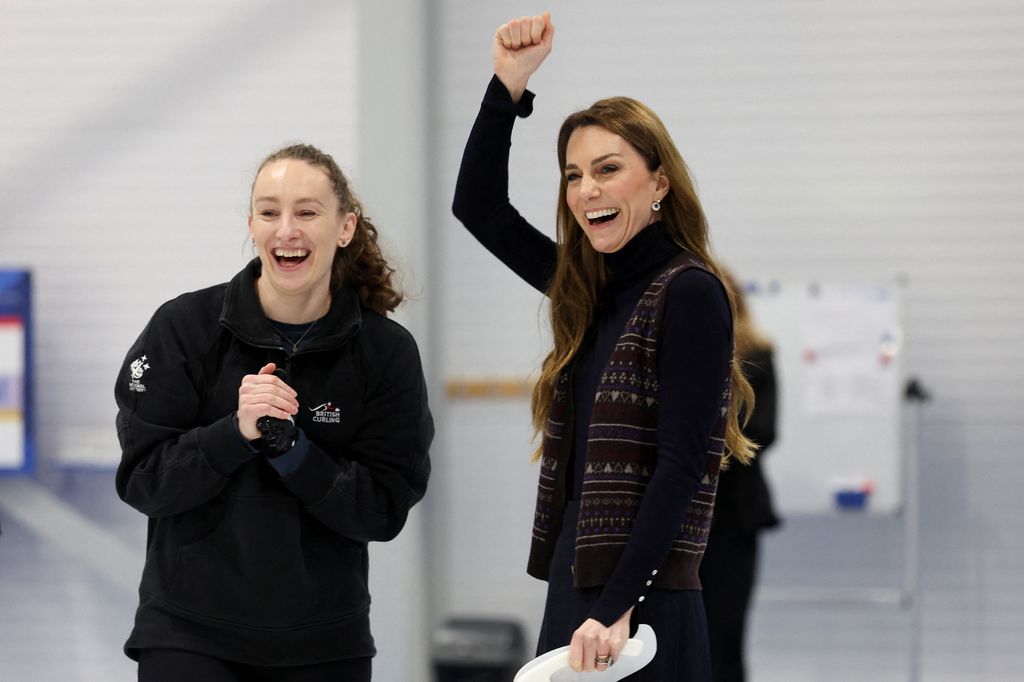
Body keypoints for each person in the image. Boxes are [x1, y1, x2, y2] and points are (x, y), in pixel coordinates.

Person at [452, 13, 757, 680]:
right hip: (579, 579)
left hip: (639, 598)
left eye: (608, 168)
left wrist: (621, 605)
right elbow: (476, 205)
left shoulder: (690, 292)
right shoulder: (585, 289)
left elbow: (679, 466)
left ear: (659, 184)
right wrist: (509, 85)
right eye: (573, 174)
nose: (587, 189)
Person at [114, 143, 433, 682]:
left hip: (324, 642)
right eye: (269, 212)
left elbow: (381, 510)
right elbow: (145, 481)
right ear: (252, 224)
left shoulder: (384, 352)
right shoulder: (183, 328)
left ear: (345, 227)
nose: (287, 229)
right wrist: (234, 434)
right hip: (189, 635)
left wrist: (294, 452)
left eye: (307, 212)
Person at [699, 269, 780, 682]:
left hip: (734, 512)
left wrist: (705, 434)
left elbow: (764, 432)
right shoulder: (678, 353)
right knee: (681, 631)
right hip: (685, 511)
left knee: (726, 631)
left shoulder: (759, 356)